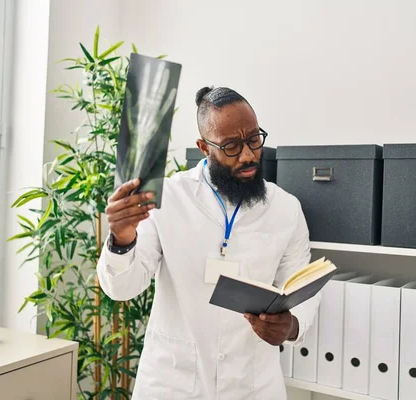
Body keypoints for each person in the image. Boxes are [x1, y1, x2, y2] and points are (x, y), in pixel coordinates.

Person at [97, 86, 321, 399]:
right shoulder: (166, 198)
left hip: (253, 385)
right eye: (231, 146)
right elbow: (123, 288)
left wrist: (292, 326)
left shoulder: (286, 208)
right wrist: (122, 239)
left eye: (254, 139)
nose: (247, 155)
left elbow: (302, 285)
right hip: (173, 383)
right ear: (204, 147)